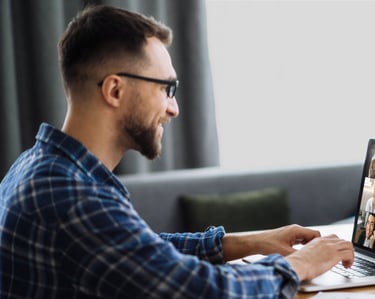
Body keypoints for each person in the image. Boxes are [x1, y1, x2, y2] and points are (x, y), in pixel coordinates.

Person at [0, 5, 354, 299]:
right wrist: (300, 264)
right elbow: (199, 291)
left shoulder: (40, 165)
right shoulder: (73, 195)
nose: (174, 109)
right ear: (114, 90)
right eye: (167, 88)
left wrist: (251, 242)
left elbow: (140, 249)